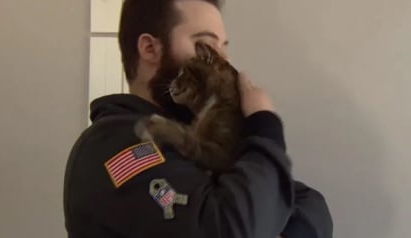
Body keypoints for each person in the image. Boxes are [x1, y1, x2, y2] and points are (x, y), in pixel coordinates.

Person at [63, 0, 333, 237]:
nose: (223, 62)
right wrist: (264, 126)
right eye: (205, 45)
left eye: (223, 48)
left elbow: (311, 204)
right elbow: (233, 229)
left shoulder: (196, 135)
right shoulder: (118, 145)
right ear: (149, 48)